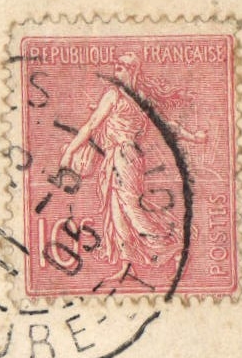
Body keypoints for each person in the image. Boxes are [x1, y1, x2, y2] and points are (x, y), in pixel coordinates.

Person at [56, 52, 205, 275]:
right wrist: (71, 150)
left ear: (133, 71)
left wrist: (192, 137)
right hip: (116, 156)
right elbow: (92, 125)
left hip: (126, 156)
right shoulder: (116, 94)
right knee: (116, 211)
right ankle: (127, 265)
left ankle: (173, 246)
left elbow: (165, 125)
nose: (117, 67)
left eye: (123, 65)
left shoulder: (124, 96)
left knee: (130, 208)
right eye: (116, 64)